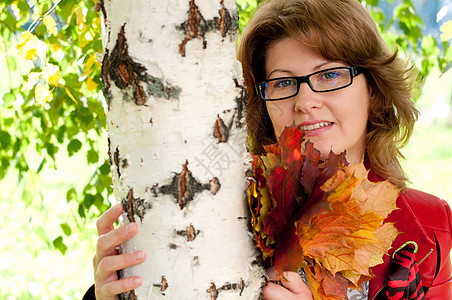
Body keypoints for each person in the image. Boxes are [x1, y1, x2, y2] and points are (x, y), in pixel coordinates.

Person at [85, 0, 452, 299]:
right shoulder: (215, 216)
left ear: (372, 89)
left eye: (330, 74)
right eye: (283, 83)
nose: (305, 100)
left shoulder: (430, 228)